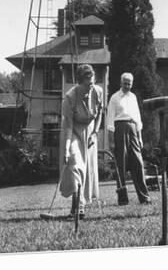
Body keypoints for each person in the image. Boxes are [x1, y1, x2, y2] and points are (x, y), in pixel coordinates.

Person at [59, 64, 103, 218]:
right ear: (79, 83)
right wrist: (66, 149)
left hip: (90, 132)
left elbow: (99, 114)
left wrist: (95, 133)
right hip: (73, 132)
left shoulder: (98, 91)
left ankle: (77, 207)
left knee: (87, 169)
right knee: (75, 163)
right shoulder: (70, 97)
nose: (90, 87)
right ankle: (79, 206)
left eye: (92, 83)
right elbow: (69, 126)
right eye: (87, 84)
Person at [107, 73, 152, 204]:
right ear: (121, 83)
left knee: (138, 163)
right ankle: (123, 199)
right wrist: (111, 141)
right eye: (125, 83)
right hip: (120, 130)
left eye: (129, 83)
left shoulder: (133, 97)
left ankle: (144, 197)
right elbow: (110, 121)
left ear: (132, 84)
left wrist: (140, 137)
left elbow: (138, 118)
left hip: (133, 130)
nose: (127, 86)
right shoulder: (114, 98)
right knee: (120, 165)